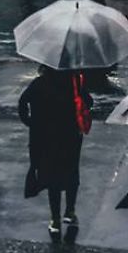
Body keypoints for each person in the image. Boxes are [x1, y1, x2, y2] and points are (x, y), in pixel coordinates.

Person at [19, 67, 92, 240]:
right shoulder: (73, 82)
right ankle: (70, 211)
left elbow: (22, 103)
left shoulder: (38, 84)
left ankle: (55, 219)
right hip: (70, 137)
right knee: (71, 172)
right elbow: (88, 102)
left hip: (45, 139)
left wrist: (30, 122)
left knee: (52, 178)